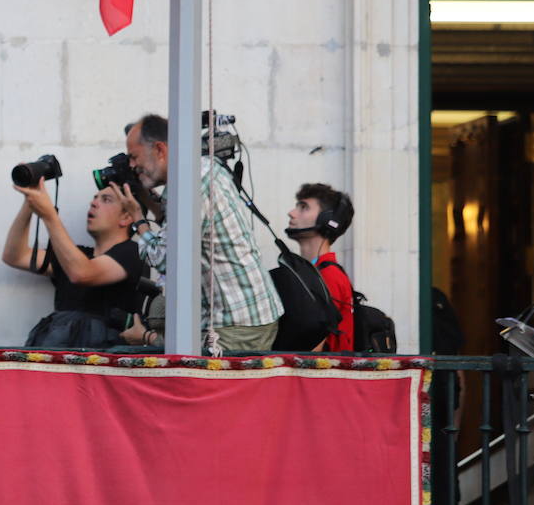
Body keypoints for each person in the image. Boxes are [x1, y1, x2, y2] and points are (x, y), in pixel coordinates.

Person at [117, 114, 282, 353]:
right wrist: (149, 203)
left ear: (160, 149)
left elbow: (165, 259)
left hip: (235, 324)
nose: (132, 166)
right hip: (246, 313)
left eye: (134, 156)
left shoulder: (188, 184)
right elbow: (188, 233)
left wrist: (138, 219)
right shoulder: (202, 168)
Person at [2, 180, 146, 346]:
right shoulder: (75, 255)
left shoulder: (134, 251)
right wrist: (30, 201)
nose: (94, 203)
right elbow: (15, 255)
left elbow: (83, 274)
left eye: (105, 199)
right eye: (95, 198)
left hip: (99, 361)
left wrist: (50, 216)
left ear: (126, 217)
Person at [286, 183, 355, 354]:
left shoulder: (328, 276)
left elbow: (312, 350)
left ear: (326, 220)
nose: (292, 213)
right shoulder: (314, 273)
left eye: (303, 207)